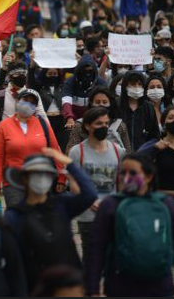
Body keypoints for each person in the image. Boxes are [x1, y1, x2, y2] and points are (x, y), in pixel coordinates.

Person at [85, 153, 174, 297]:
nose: (126, 177)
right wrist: (92, 290)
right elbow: (96, 249)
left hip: (154, 286)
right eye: (122, 172)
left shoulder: (165, 204)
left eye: (133, 173)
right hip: (125, 287)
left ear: (149, 177)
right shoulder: (110, 205)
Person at [4, 148, 97, 290]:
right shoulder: (15, 215)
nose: (42, 178)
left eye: (46, 174)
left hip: (68, 286)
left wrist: (70, 164)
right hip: (35, 287)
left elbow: (90, 194)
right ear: (25, 178)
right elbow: (13, 262)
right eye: (36, 174)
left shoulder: (62, 204)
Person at [68, 107, 125, 266]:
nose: (104, 127)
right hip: (88, 214)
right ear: (88, 126)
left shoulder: (117, 150)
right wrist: (88, 202)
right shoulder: (76, 151)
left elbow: (120, 182)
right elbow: (73, 182)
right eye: (99, 123)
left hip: (112, 212)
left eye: (106, 123)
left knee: (113, 258)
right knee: (91, 257)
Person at [0, 90, 66, 208]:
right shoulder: (4, 126)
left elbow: (55, 150)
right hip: (13, 183)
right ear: (17, 101)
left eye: (32, 103)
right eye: (25, 101)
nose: (28, 105)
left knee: (38, 220)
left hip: (40, 181)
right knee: (18, 220)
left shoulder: (43, 124)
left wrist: (62, 177)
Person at [0, 62, 47, 160]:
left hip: (29, 138)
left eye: (24, 73)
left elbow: (42, 116)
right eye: (17, 73)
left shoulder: (33, 95)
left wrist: (51, 141)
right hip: (7, 140)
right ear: (10, 76)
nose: (22, 76)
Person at [139, 106, 174, 212]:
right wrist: (154, 149)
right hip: (162, 202)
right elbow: (135, 160)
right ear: (163, 123)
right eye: (171, 117)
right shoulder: (156, 144)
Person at [65, 87, 132, 153]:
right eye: (97, 102)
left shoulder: (120, 125)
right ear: (91, 104)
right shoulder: (79, 125)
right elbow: (70, 152)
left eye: (105, 102)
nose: (101, 105)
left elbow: (128, 152)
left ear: (111, 104)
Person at [118, 71, 160, 151]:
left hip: (142, 156)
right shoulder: (117, 105)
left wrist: (145, 150)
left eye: (140, 84)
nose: (137, 87)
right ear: (125, 86)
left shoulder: (148, 107)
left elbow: (155, 136)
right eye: (133, 84)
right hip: (119, 155)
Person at [62, 56, 107, 130]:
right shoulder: (70, 81)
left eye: (90, 71)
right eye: (84, 71)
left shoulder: (100, 82)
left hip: (94, 118)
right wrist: (69, 117)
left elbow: (104, 102)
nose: (87, 73)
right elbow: (66, 100)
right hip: (74, 119)